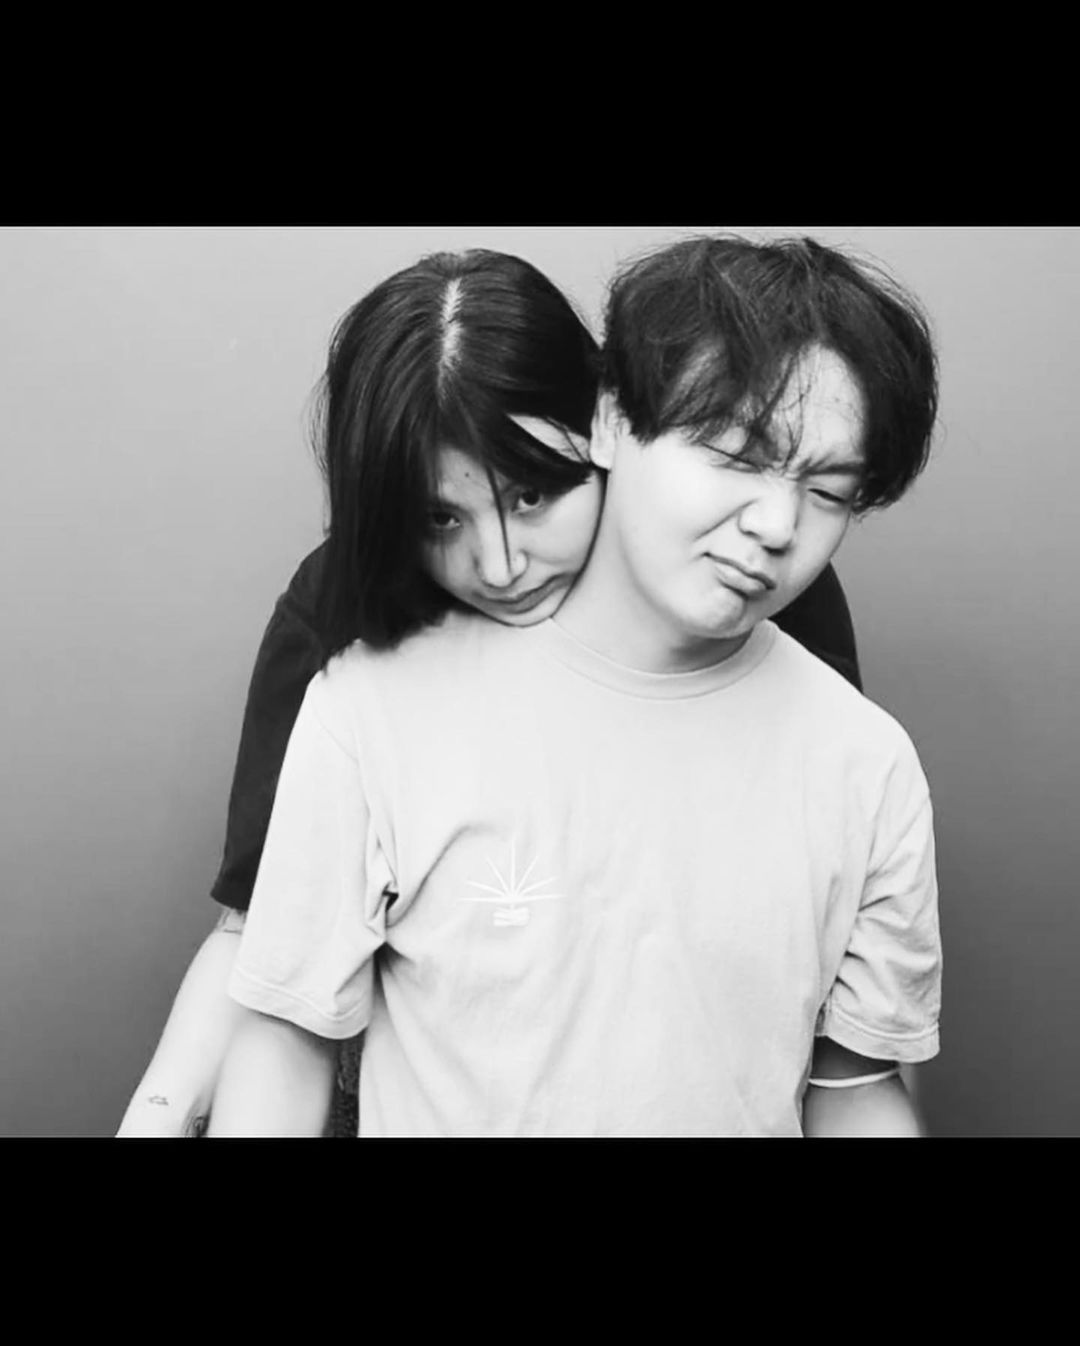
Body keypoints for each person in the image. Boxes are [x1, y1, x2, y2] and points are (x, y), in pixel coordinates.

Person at [116, 245, 862, 1139]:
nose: (500, 565)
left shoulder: (746, 573)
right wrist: (156, 1113)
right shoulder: (342, 612)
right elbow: (260, 934)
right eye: (440, 519)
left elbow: (830, 945)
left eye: (534, 496)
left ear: (609, 425)